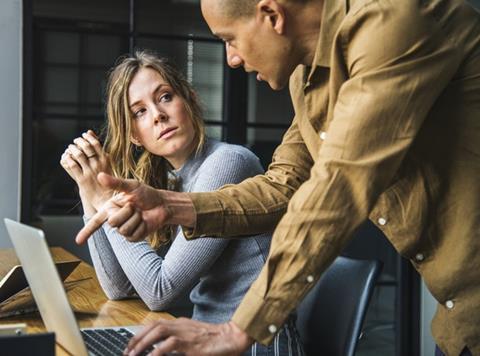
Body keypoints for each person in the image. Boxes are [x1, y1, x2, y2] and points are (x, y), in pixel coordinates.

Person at [76, 0, 480, 355]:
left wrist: (240, 329)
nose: (231, 58)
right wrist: (168, 205)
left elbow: (337, 187)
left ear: (271, 15)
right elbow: (282, 186)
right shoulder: (307, 81)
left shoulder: (392, 23)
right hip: (459, 323)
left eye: (230, 38)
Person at [60, 51, 304, 356]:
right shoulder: (174, 179)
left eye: (164, 97)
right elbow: (118, 289)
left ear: (189, 99)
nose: (158, 115)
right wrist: (89, 191)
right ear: (135, 136)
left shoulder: (227, 163)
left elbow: (158, 291)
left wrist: (105, 200)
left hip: (254, 346)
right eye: (139, 112)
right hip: (203, 342)